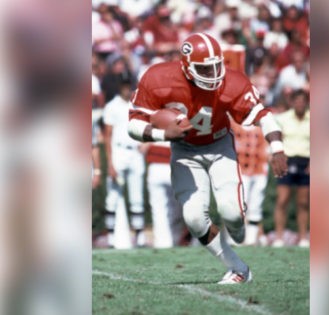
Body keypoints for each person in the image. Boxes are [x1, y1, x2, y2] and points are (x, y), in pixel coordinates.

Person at [128, 33, 288, 284]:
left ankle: (237, 225)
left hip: (219, 144)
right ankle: (237, 268)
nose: (213, 74)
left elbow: (263, 115)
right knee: (193, 218)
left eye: (216, 65)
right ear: (185, 66)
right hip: (184, 150)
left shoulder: (231, 81)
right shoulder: (158, 78)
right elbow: (134, 124)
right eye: (205, 68)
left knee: (232, 213)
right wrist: (162, 133)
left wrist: (277, 147)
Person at [103, 77, 146, 248]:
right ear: (120, 88)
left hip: (135, 151)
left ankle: (140, 237)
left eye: (130, 87)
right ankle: (111, 238)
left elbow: (146, 126)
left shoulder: (137, 106)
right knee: (112, 197)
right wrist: (110, 163)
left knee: (137, 197)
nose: (128, 91)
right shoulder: (112, 106)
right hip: (119, 151)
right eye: (125, 87)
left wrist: (146, 144)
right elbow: (107, 136)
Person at [272, 89, 310, 247]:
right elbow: (275, 138)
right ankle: (279, 237)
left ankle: (302, 238)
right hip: (287, 160)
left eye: (303, 100)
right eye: (297, 100)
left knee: (303, 202)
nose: (300, 104)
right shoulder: (282, 119)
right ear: (292, 102)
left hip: (306, 161)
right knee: (282, 200)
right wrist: (275, 156)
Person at [230, 120, 269, 246]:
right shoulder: (234, 125)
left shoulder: (263, 126)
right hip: (239, 170)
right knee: (239, 204)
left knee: (256, 205)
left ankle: (251, 239)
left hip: (259, 169)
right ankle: (236, 237)